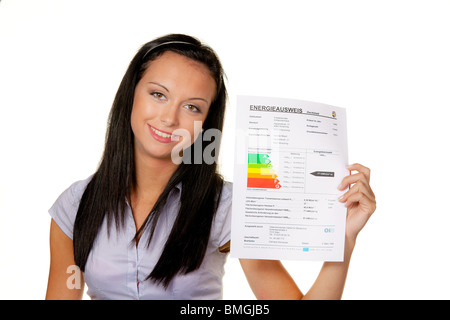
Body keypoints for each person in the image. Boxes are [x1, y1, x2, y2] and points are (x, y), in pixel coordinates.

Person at [45, 33, 376, 300]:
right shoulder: (76, 205)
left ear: (206, 124)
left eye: (191, 106)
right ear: (131, 93)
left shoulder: (226, 209)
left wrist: (342, 243)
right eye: (158, 94)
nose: (169, 118)